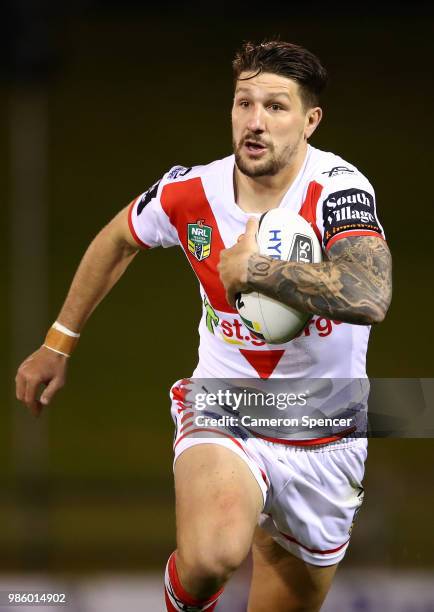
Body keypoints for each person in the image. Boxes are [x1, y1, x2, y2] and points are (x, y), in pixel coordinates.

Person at [15, 41, 392, 611]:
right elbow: (118, 238)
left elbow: (370, 294)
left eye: (276, 106)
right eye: (244, 104)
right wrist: (57, 343)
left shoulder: (339, 189)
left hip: (326, 425)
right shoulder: (192, 191)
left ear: (311, 120)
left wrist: (260, 270)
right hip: (227, 403)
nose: (255, 122)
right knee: (212, 557)